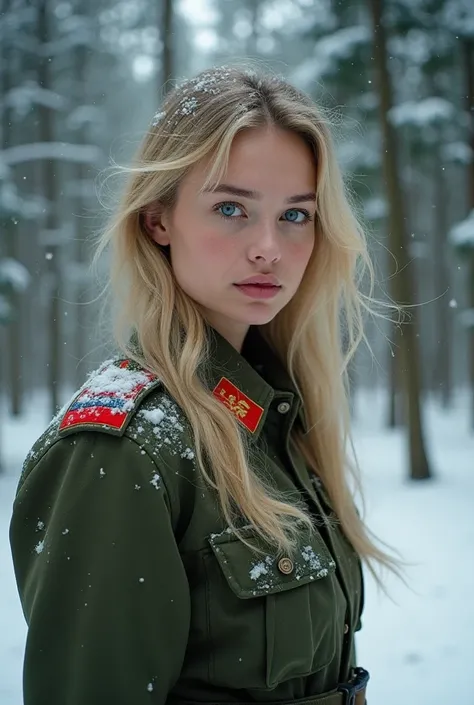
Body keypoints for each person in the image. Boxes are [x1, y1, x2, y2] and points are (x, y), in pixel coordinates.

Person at [10, 63, 397, 705]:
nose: (268, 247)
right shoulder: (122, 451)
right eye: (230, 208)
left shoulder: (274, 419)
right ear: (159, 220)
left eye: (296, 216)